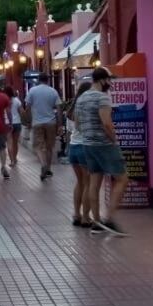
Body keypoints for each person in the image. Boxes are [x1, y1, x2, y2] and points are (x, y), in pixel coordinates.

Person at [77, 66, 129, 236]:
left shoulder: (82, 97)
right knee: (122, 178)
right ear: (102, 80)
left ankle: (97, 222)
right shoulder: (102, 98)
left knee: (94, 180)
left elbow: (77, 122)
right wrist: (114, 139)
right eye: (109, 80)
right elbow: (106, 123)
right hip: (104, 144)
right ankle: (110, 219)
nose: (110, 83)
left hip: (88, 144)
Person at [25, 72, 63, 181]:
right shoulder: (53, 91)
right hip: (51, 122)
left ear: (38, 80)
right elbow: (59, 109)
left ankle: (43, 165)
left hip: (37, 123)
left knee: (38, 146)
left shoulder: (32, 91)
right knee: (49, 147)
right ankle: (49, 169)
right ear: (48, 80)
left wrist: (28, 120)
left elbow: (27, 106)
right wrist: (60, 124)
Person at [67, 81, 92, 227]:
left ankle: (76, 214)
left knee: (80, 182)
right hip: (85, 147)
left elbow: (71, 129)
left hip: (73, 147)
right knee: (88, 183)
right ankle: (86, 217)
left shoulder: (72, 109)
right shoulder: (88, 107)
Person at [5, 85, 23, 166]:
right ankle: (15, 158)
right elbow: (21, 112)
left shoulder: (4, 100)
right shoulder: (17, 100)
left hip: (8, 123)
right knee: (15, 142)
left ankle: (12, 160)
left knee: (9, 142)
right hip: (17, 123)